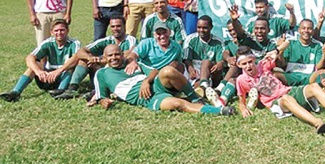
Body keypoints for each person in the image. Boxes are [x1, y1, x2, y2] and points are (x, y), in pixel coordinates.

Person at [87, 45, 235, 115]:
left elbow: (154, 71)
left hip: (154, 84)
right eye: (110, 56)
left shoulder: (131, 63)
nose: (114, 58)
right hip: (145, 98)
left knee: (168, 70)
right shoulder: (102, 73)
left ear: (122, 54)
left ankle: (195, 98)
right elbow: (101, 95)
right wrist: (103, 101)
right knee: (177, 104)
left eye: (117, 54)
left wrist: (147, 81)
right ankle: (219, 111)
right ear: (104, 58)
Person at [235, 51, 325, 134]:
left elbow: (284, 45)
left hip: (289, 90)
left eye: (250, 62)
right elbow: (241, 100)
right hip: (276, 102)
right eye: (244, 64)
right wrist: (243, 108)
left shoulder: (263, 65)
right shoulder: (241, 80)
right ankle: (318, 123)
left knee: (314, 86)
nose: (248, 66)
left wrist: (274, 52)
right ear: (239, 65)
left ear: (254, 60)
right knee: (286, 99)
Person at [56, 16, 138, 100]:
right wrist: (90, 58)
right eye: (113, 26)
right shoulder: (107, 40)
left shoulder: (131, 40)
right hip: (104, 70)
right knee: (83, 59)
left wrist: (101, 60)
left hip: (121, 73)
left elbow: (127, 54)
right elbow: (80, 51)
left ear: (124, 26)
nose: (115, 29)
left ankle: (98, 91)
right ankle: (72, 89)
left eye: (118, 26)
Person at [1, 19, 81, 102]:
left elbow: (76, 58)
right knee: (34, 66)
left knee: (71, 67)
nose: (59, 33)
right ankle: (15, 92)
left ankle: (61, 91)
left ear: (67, 31)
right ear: (52, 32)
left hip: (64, 76)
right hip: (48, 77)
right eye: (56, 31)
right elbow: (29, 57)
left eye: (62, 30)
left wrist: (59, 71)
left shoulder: (74, 43)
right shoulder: (47, 43)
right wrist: (38, 71)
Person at [183, 16, 227, 106]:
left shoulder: (218, 42)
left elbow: (220, 61)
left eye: (205, 28)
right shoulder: (190, 39)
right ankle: (204, 91)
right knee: (196, 86)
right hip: (194, 69)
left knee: (206, 62)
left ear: (211, 27)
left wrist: (219, 64)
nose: (201, 30)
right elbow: (186, 59)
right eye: (199, 27)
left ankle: (204, 86)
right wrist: (190, 69)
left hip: (208, 71)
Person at [276, 19, 325, 86]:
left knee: (324, 72)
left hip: (309, 77)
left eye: (309, 29)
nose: (306, 31)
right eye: (303, 28)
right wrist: (281, 50)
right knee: (275, 75)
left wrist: (324, 56)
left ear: (313, 31)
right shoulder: (290, 42)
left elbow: (319, 67)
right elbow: (282, 64)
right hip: (290, 76)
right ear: (299, 30)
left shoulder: (318, 45)